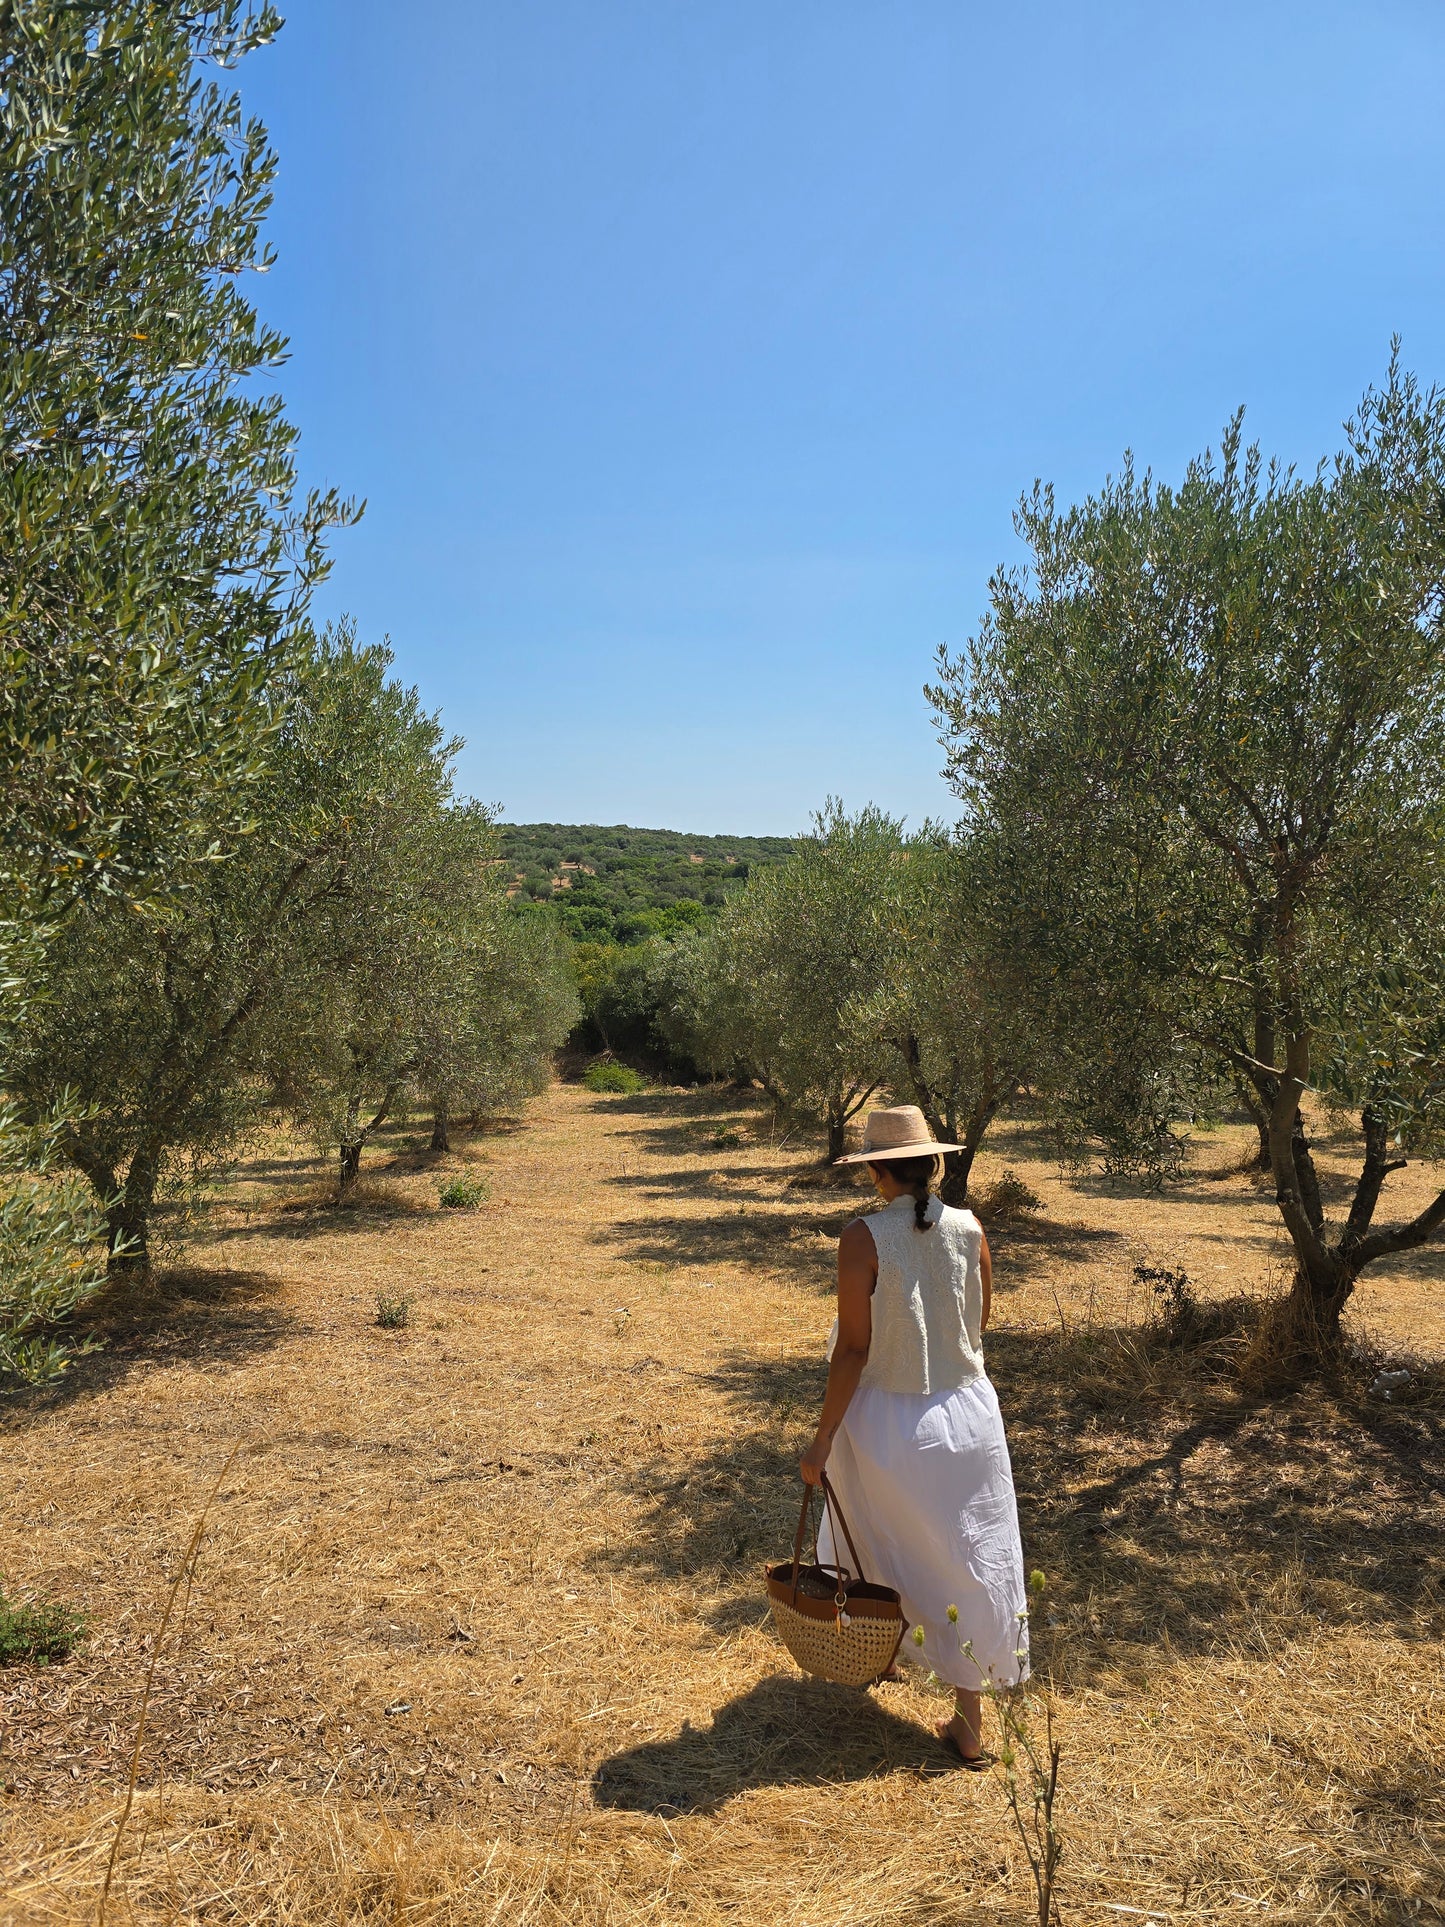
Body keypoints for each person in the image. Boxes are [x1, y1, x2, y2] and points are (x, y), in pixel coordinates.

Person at [800, 1104, 1028, 1767]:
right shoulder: (970, 1228)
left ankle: (878, 1648)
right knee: (968, 1558)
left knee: (873, 1530)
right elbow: (978, 1322)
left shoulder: (862, 1238)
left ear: (876, 1171)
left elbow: (853, 1350)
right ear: (931, 1163)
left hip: (888, 1418)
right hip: (969, 1413)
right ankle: (968, 1721)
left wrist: (822, 1438)